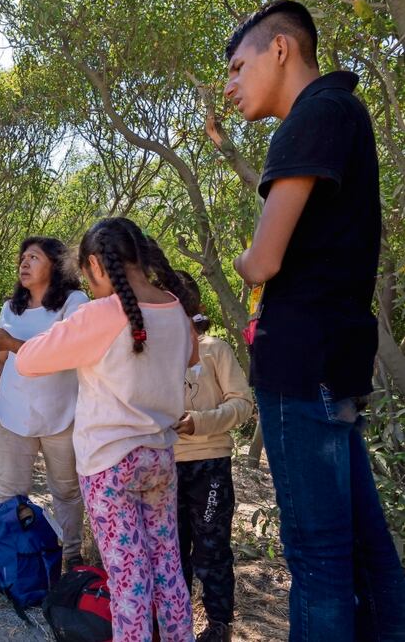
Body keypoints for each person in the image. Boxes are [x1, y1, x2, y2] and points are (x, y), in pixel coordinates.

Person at [226, 0, 405, 640]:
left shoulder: (313, 116)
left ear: (281, 50)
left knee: (320, 559)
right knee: (365, 549)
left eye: (238, 65)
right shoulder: (343, 113)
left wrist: (245, 258)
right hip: (333, 365)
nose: (230, 84)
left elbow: (263, 260)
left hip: (301, 368)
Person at [0, 217, 198, 641]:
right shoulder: (175, 308)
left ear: (96, 264)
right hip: (160, 456)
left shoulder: (102, 313)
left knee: (128, 581)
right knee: (167, 567)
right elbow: (190, 358)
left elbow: (31, 360)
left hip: (110, 464)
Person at [0, 236, 88, 570]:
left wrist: (10, 341)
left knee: (66, 491)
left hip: (62, 415)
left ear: (56, 264)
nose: (24, 263)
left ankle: (71, 558)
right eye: (22, 258)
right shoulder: (11, 307)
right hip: (12, 414)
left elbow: (67, 355)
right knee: (8, 494)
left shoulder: (73, 303)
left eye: (34, 258)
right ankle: (8, 563)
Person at [172, 272, 254, 642]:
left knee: (211, 546)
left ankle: (219, 623)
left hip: (210, 465)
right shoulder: (150, 353)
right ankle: (176, 622)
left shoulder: (215, 349)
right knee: (172, 549)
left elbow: (243, 404)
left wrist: (200, 423)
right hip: (164, 466)